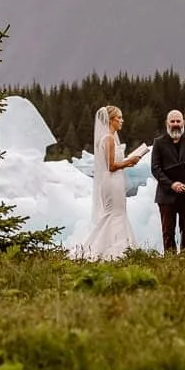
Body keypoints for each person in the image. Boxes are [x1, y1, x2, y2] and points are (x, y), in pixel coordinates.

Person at [66, 105, 145, 260]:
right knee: (114, 214)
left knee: (116, 213)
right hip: (112, 181)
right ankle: (114, 249)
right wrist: (130, 161)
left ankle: (116, 247)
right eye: (119, 118)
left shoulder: (108, 138)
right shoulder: (108, 139)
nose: (122, 121)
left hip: (114, 181)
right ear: (110, 120)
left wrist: (127, 162)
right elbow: (111, 166)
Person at [149, 109, 185, 253]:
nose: (175, 124)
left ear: (183, 122)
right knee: (167, 231)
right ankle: (170, 262)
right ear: (167, 123)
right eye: (172, 121)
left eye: (178, 121)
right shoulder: (158, 142)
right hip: (166, 195)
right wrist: (172, 184)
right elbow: (155, 168)